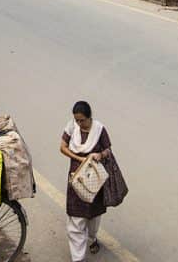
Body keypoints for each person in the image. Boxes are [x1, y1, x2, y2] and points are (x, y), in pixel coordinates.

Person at [60, 100, 113, 258]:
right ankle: (78, 258)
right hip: (76, 180)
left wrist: (99, 155)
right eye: (77, 120)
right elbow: (62, 147)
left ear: (90, 117)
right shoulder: (71, 127)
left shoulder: (99, 129)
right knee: (76, 219)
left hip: (94, 182)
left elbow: (108, 150)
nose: (79, 123)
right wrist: (79, 158)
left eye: (82, 120)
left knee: (93, 217)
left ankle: (92, 238)